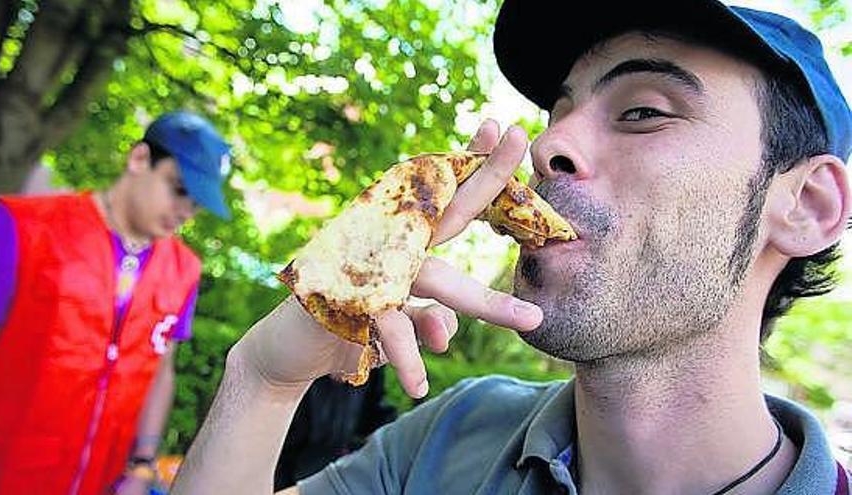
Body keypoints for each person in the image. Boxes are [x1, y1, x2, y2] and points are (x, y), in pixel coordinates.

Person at [172, 1, 852, 493]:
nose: (546, 146)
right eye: (557, 115)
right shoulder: (445, 441)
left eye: (643, 110)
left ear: (808, 205)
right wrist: (265, 380)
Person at [0, 111, 232, 495]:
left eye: (196, 204)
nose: (184, 212)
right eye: (178, 189)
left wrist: (143, 464)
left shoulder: (184, 269)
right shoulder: (18, 227)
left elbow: (162, 368)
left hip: (95, 482)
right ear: (140, 159)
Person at [274, 369, 397, 490]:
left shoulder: (365, 372)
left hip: (341, 466)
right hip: (292, 472)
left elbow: (374, 414)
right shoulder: (297, 376)